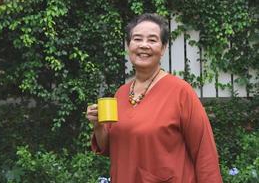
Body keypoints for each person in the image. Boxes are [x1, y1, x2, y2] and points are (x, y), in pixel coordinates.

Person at [86, 13, 222, 183]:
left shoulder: (180, 92)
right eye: (137, 39)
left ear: (163, 48)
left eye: (152, 40)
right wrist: (98, 126)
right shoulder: (121, 94)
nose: (144, 45)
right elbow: (111, 148)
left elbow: (205, 152)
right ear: (128, 46)